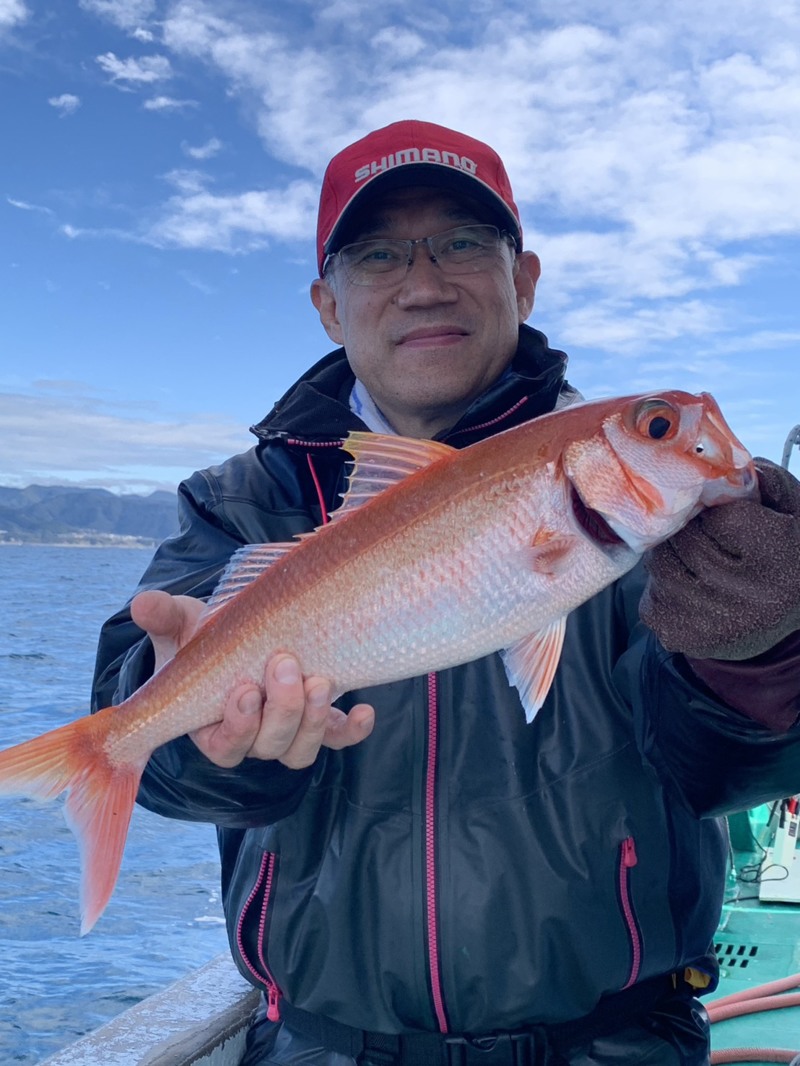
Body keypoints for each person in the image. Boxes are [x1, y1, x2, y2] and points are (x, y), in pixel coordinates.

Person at [92, 120, 800, 1066]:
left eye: (465, 242)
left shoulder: (676, 534)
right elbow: (165, 758)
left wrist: (762, 648)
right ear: (328, 306)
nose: (424, 281)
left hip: (613, 1039)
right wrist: (194, 733)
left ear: (525, 279)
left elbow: (734, 775)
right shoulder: (240, 503)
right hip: (323, 1043)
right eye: (378, 253)